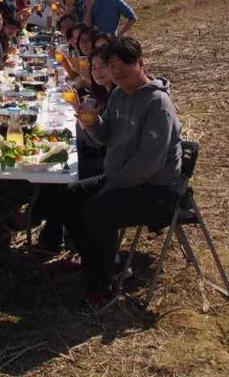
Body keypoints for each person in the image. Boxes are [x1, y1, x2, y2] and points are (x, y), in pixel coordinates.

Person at [63, 37, 183, 306]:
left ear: (141, 64)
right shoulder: (118, 94)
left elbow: (148, 163)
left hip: (156, 190)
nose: (116, 71)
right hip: (121, 178)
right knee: (70, 195)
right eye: (111, 65)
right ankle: (98, 262)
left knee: (97, 209)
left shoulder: (157, 104)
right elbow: (105, 137)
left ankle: (100, 285)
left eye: (123, 65)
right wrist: (91, 121)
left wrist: (111, 186)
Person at [75, 52, 114, 180]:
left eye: (102, 66)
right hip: (99, 152)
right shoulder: (102, 92)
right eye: (94, 67)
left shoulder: (118, 96)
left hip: (108, 161)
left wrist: (77, 108)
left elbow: (99, 141)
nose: (97, 72)